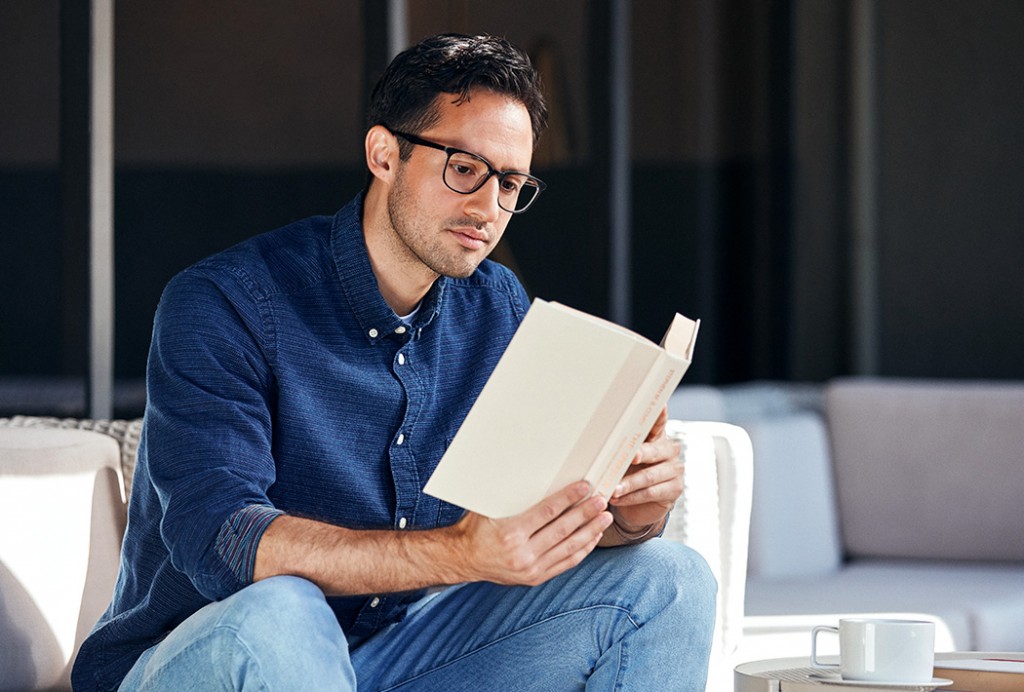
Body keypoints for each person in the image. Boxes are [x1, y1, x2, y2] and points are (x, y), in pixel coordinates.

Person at [72, 33, 716, 691]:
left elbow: (521, 523)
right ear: (385, 154)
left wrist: (630, 514)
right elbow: (223, 541)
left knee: (668, 579)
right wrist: (462, 552)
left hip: (399, 657)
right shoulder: (224, 302)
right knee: (285, 610)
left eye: (511, 184)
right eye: (465, 168)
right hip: (213, 655)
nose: (488, 209)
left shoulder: (497, 309)